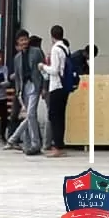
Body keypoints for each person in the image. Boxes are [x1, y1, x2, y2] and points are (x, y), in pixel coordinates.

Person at [4, 30, 45, 155]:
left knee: (31, 114)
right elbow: (18, 76)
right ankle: (27, 143)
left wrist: (44, 87)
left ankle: (34, 143)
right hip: (24, 88)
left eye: (25, 39)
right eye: (21, 40)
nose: (24, 42)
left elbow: (43, 70)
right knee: (30, 116)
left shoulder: (37, 52)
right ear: (17, 42)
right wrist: (18, 91)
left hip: (35, 85)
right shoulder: (17, 58)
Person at [38, 25, 70, 158]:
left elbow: (55, 70)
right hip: (65, 86)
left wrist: (43, 66)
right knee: (60, 117)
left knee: (54, 116)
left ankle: (57, 147)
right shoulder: (65, 48)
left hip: (57, 86)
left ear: (52, 36)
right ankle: (60, 144)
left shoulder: (56, 49)